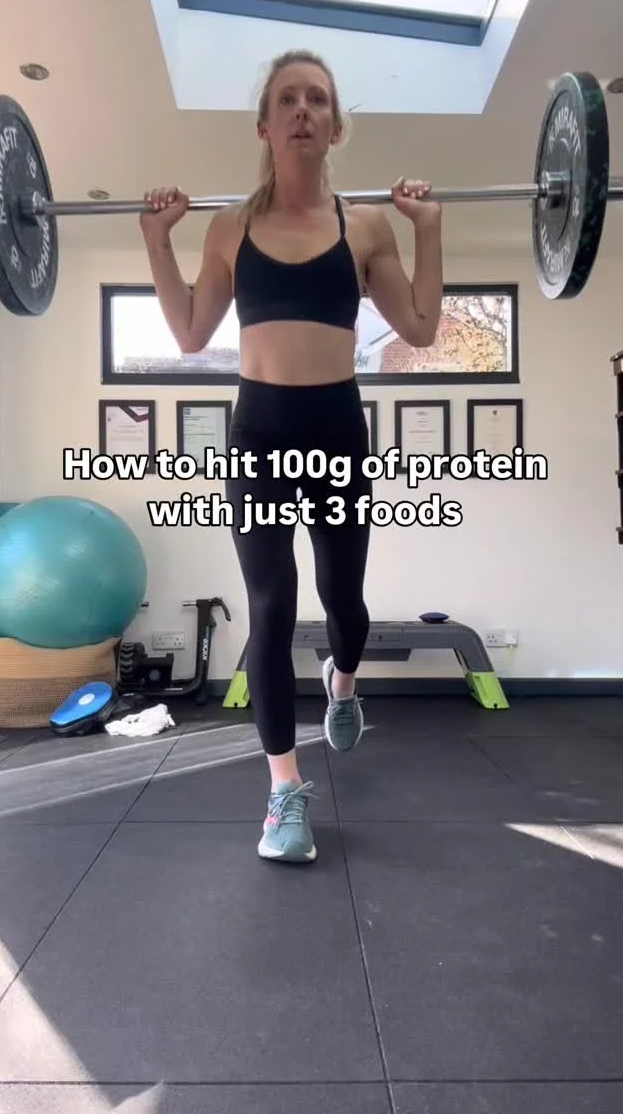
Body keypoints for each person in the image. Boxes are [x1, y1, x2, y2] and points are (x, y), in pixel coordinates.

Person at [140, 49, 443, 864]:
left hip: (337, 427)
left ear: (335, 127)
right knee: (271, 606)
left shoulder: (366, 226)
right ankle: (283, 791)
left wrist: (429, 228)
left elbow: (419, 328)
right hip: (261, 433)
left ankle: (344, 683)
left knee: (344, 600)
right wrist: (156, 241)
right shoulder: (229, 228)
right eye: (287, 99)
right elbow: (191, 334)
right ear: (265, 126)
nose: (302, 109)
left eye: (317, 98)